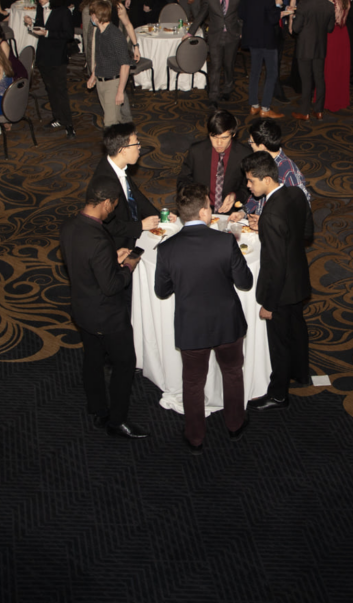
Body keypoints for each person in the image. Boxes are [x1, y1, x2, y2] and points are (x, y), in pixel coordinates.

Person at [154, 182, 254, 453]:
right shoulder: (224, 242)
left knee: (193, 382)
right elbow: (245, 282)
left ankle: (195, 437)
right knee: (233, 373)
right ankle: (235, 425)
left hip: (191, 327)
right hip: (227, 323)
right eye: (209, 208)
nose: (211, 211)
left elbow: (161, 291)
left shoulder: (166, 249)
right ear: (202, 213)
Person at [61, 177, 148, 439]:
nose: (113, 209)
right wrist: (127, 265)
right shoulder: (98, 239)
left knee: (93, 358)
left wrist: (111, 258)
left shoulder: (69, 226)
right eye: (114, 205)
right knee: (125, 363)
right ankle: (116, 421)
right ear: (108, 202)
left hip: (81, 308)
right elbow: (111, 286)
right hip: (107, 316)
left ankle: (97, 408)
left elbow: (84, 265)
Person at [244, 151, 313, 412]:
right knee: (298, 329)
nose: (248, 187)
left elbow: (274, 267)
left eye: (251, 181)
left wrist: (269, 305)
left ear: (266, 179)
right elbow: (307, 233)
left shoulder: (271, 215)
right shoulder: (296, 193)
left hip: (281, 291)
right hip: (300, 279)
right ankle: (301, 374)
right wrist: (269, 228)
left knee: (280, 343)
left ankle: (278, 395)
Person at [90, 123, 160, 250]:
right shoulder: (104, 183)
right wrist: (140, 226)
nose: (139, 147)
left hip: (130, 231)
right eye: (136, 143)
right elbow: (107, 226)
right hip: (117, 245)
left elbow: (135, 195)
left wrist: (160, 217)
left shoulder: (118, 166)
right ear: (123, 150)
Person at [23, 0, 76, 136]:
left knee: (60, 90)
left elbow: (68, 35)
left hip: (58, 56)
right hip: (43, 55)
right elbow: (40, 26)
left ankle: (68, 123)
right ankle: (57, 117)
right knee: (50, 89)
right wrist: (31, 25)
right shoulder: (40, 8)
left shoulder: (63, 12)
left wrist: (47, 33)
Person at [177, 109, 254, 215]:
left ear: (233, 134)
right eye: (214, 137)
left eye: (224, 138)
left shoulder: (244, 154)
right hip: (200, 211)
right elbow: (183, 181)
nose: (218, 143)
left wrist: (235, 196)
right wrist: (197, 198)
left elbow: (249, 187)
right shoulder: (196, 151)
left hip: (231, 212)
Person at [188, 0, 242, 106]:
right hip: (215, 35)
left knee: (229, 65)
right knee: (216, 66)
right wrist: (190, 32)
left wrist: (241, 31)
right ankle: (213, 96)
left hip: (232, 35)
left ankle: (228, 89)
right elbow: (201, 14)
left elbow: (242, 16)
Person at [242, 117, 310, 216]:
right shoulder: (260, 161)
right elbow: (257, 193)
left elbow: (302, 207)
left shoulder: (288, 171)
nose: (250, 145)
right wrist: (244, 211)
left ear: (262, 146)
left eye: (251, 142)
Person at [291, 0, 335, 121]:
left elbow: (295, 29)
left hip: (305, 47)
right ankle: (319, 110)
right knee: (319, 78)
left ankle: (304, 112)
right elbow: (330, 28)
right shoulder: (329, 6)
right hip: (320, 46)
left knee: (306, 80)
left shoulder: (304, 4)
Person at [239, 0, 281, 119]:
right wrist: (278, 8)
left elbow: (241, 14)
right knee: (271, 73)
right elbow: (272, 19)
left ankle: (254, 105)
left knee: (255, 72)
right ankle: (265, 107)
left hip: (251, 38)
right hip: (267, 40)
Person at [86, 0, 133, 127]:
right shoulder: (99, 32)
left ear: (95, 16)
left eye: (91, 14)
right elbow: (100, 58)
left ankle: (117, 145)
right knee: (116, 120)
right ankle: (125, 143)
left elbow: (125, 65)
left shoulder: (115, 35)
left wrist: (120, 91)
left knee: (110, 123)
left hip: (113, 83)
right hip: (101, 82)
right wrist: (93, 76)